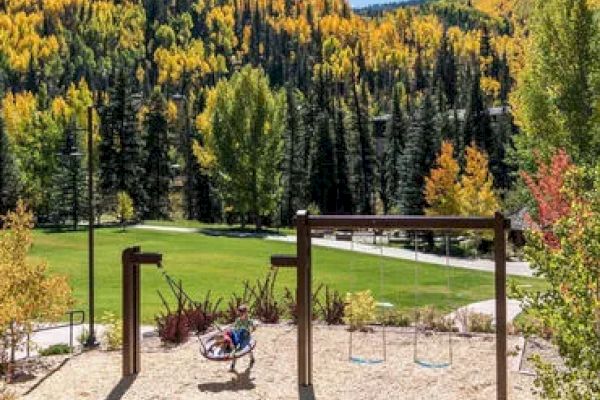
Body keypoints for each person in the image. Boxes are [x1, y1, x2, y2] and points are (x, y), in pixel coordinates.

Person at [228, 304, 255, 371]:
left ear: (245, 313)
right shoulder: (238, 320)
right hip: (239, 336)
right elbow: (235, 328)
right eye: (239, 314)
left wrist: (249, 331)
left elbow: (254, 328)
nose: (240, 315)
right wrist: (233, 330)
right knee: (237, 349)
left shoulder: (249, 321)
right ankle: (233, 365)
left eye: (241, 314)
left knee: (247, 347)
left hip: (246, 337)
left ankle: (251, 358)